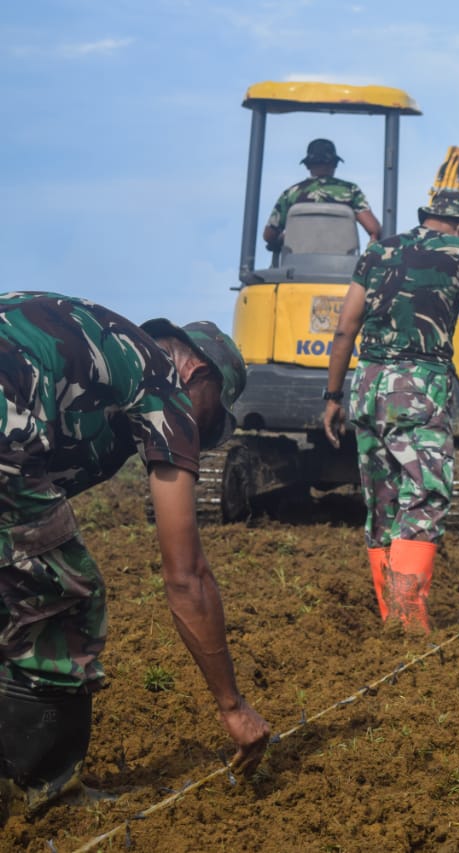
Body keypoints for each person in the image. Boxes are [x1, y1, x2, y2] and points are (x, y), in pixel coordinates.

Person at [0, 293, 270, 821]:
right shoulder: (163, 386)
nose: (200, 434)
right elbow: (186, 575)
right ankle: (48, 798)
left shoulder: (107, 352)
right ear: (198, 372)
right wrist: (232, 707)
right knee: (65, 596)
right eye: (209, 418)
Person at [322, 190, 459, 633]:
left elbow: (344, 328)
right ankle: (409, 619)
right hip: (417, 385)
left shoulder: (378, 250)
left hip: (367, 384)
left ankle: (393, 617)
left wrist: (333, 397)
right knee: (426, 493)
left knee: (382, 502)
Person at [262, 138, 381, 253]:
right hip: (342, 267)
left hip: (297, 266)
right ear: (335, 164)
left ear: (307, 165)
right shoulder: (351, 190)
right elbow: (374, 229)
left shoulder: (290, 194)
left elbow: (269, 235)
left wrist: (285, 239)